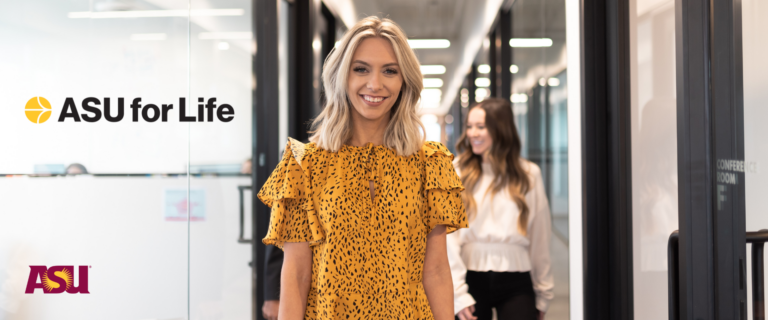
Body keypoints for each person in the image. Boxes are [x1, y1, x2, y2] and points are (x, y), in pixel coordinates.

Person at [257, 16, 467, 320]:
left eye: (390, 71)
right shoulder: (304, 164)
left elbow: (435, 271)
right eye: (361, 69)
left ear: (404, 80)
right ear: (342, 76)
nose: (375, 84)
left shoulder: (430, 163)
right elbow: (296, 275)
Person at [448, 98, 554, 320]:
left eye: (480, 126)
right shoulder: (456, 171)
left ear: (501, 129)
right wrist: (458, 293)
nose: (472, 133)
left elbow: (539, 236)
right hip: (470, 278)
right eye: (469, 127)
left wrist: (544, 291)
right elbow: (449, 239)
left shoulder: (528, 174)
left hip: (517, 280)